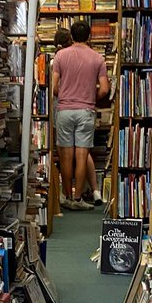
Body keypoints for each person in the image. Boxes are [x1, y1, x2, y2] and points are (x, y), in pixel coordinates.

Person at [52, 20, 108, 211]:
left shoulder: (60, 55)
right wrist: (92, 95)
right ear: (90, 36)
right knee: (82, 155)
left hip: (65, 110)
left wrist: (66, 95)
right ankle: (78, 199)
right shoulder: (97, 58)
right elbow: (105, 89)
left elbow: (54, 87)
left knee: (66, 156)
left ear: (72, 36)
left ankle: (67, 196)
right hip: (86, 110)